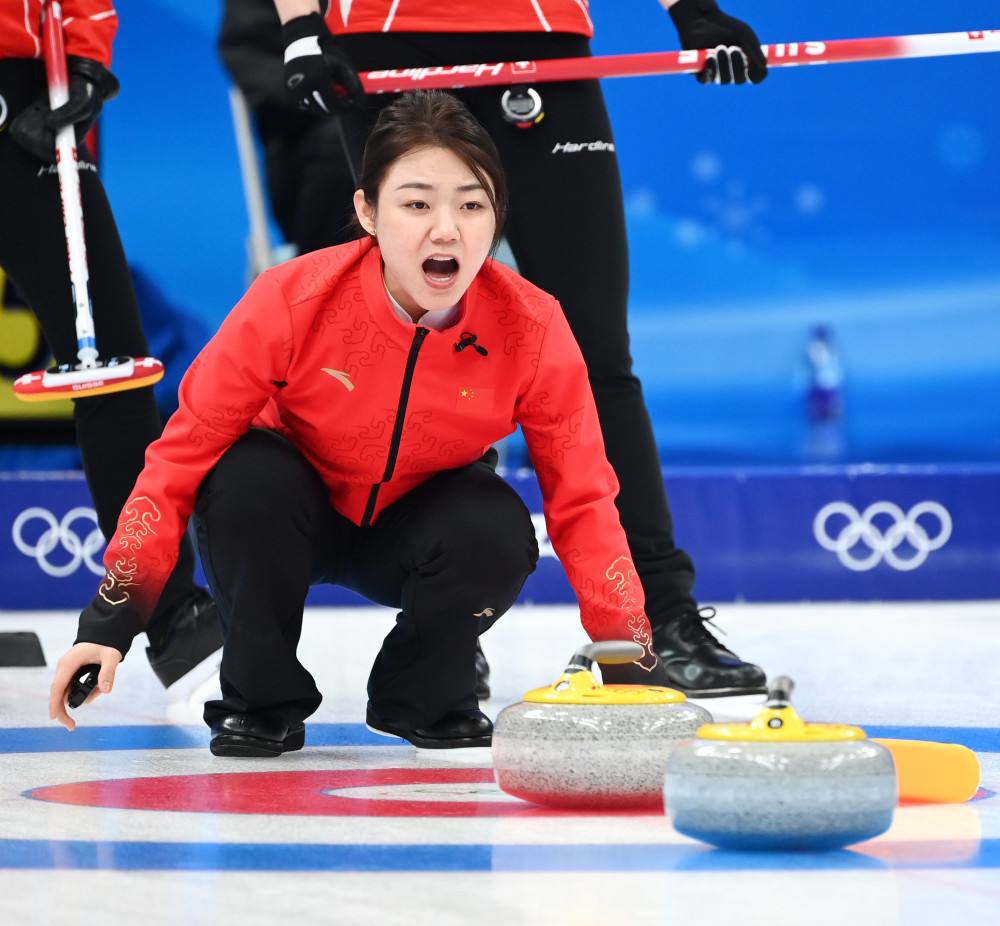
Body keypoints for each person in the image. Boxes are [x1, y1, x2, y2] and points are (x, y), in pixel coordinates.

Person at [49, 89, 675, 756]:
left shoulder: (533, 326)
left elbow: (582, 495)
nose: (446, 228)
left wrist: (627, 648)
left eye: (471, 203)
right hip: (289, 516)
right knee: (243, 476)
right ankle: (260, 700)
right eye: (416, 203)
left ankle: (425, 694)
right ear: (366, 212)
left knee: (494, 525)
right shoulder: (290, 299)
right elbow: (179, 460)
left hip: (415, 531)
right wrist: (111, 621)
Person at [215, 0, 770, 696]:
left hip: (540, 36)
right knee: (419, 334)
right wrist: (298, 27)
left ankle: (656, 621)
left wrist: (688, 8)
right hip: (389, 40)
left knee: (597, 353)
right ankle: (447, 626)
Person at [0, 0, 222, 694]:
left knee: (113, 366)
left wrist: (89, 57)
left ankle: (169, 607)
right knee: (112, 364)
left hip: (24, 89)